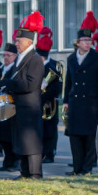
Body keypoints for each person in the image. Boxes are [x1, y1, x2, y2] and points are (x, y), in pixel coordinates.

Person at [0, 11, 45, 179]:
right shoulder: (22, 58)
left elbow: (30, 84)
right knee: (22, 141)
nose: (16, 43)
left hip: (29, 107)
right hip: (19, 106)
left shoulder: (35, 59)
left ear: (28, 41)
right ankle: (24, 171)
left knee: (31, 142)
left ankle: (35, 173)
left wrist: (8, 83)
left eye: (19, 41)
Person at [62, 14, 98, 176]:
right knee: (75, 136)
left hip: (91, 101)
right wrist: (66, 101)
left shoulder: (97, 58)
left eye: (90, 41)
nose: (88, 43)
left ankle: (87, 168)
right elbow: (68, 81)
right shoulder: (71, 58)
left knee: (90, 136)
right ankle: (77, 167)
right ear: (78, 42)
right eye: (85, 41)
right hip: (75, 102)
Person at [36, 29, 61, 163]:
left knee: (49, 129)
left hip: (48, 103)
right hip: (38, 102)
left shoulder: (53, 66)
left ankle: (49, 153)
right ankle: (41, 152)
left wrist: (42, 95)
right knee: (40, 129)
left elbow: (56, 88)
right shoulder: (37, 65)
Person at [0, 43, 18, 172]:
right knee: (3, 136)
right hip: (1, 106)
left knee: (11, 136)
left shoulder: (15, 69)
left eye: (8, 55)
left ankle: (15, 161)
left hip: (11, 106)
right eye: (4, 55)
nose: (6, 58)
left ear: (15, 56)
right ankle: (7, 161)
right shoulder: (1, 68)